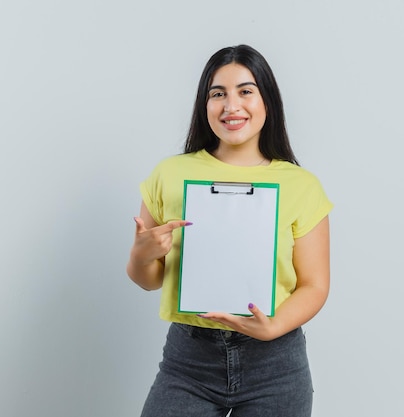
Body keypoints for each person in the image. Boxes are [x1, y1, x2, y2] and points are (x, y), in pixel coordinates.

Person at [126, 44, 333, 417]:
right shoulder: (170, 175)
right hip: (188, 361)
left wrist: (273, 329)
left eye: (245, 91)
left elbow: (314, 285)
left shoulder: (302, 185)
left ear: (267, 99)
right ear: (204, 105)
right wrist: (141, 257)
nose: (230, 105)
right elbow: (149, 279)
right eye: (217, 93)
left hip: (276, 365)